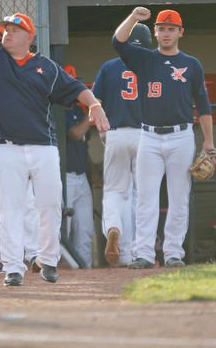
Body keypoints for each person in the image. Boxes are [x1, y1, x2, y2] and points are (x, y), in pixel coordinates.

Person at [0, 0, 110, 286]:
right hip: (7, 148)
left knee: (48, 207)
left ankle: (48, 261)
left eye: (14, 29)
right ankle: (13, 267)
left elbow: (76, 89)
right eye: (5, 30)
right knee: (10, 210)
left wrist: (96, 105)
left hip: (43, 147)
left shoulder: (45, 67)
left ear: (29, 37)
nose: (7, 33)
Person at [113, 7, 215, 269]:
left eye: (171, 28)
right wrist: (134, 18)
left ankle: (173, 253)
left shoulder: (191, 64)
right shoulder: (144, 59)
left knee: (179, 197)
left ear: (181, 32)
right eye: (161, 28)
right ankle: (144, 254)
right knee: (146, 197)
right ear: (155, 32)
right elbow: (118, 41)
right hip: (149, 136)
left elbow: (203, 104)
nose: (166, 33)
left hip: (182, 136)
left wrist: (208, 141)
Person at [92, 24, 152, 266]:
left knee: (116, 192)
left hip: (116, 134)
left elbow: (94, 103)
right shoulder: (154, 64)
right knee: (142, 194)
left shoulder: (110, 66)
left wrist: (102, 130)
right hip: (146, 135)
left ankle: (115, 230)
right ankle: (139, 253)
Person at [0, 19, 40, 275]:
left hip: (22, 140)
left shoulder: (28, 65)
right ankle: (3, 256)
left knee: (27, 201)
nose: (0, 39)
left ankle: (35, 253)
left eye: (2, 35)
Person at [64, 89, 103, 269]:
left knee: (86, 229)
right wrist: (93, 110)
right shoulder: (58, 110)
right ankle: (62, 268)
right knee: (65, 228)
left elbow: (83, 145)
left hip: (81, 176)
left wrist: (93, 170)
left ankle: (84, 268)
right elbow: (75, 133)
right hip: (65, 176)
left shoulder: (79, 111)